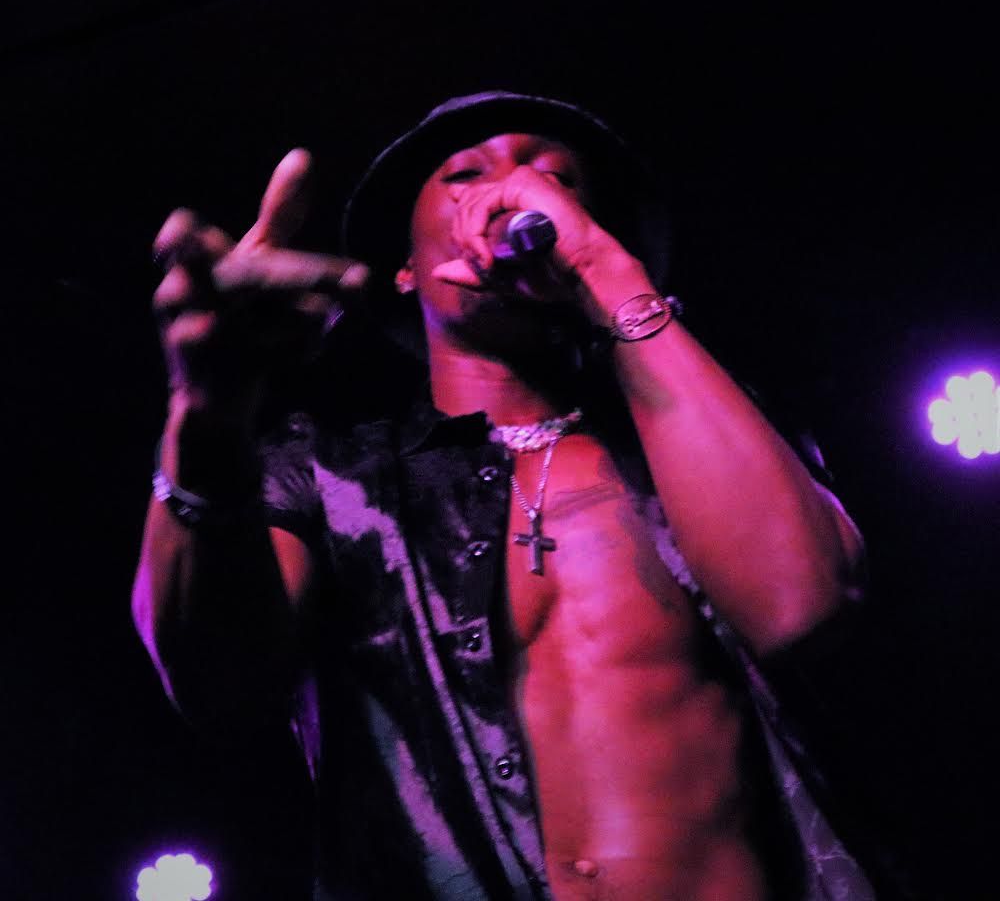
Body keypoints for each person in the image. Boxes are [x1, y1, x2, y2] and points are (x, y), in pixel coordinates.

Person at [133, 91, 877, 900]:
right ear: (406, 268)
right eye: (465, 175)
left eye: (555, 178)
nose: (513, 190)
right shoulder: (330, 474)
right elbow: (218, 687)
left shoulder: (703, 438)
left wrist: (604, 270)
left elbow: (801, 606)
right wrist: (205, 415)